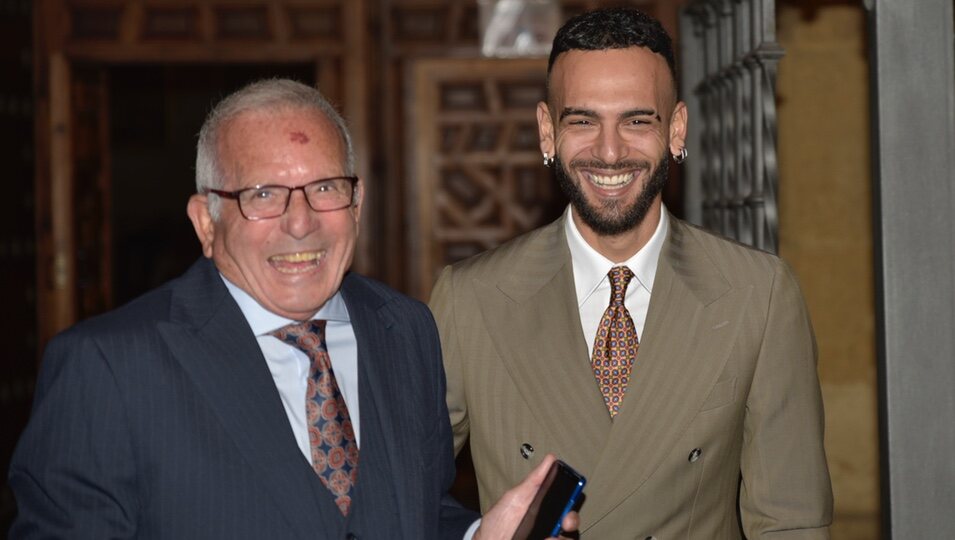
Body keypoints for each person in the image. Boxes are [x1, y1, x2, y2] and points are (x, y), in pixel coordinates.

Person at [9, 78, 576, 539]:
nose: (300, 222)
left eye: (325, 188)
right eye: (263, 194)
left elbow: (415, 517)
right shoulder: (107, 367)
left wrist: (477, 537)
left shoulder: (405, 329)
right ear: (206, 222)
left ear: (357, 203)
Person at [429, 7, 833, 539]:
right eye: (582, 121)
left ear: (677, 129)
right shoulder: (469, 300)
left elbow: (791, 522)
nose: (610, 151)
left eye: (637, 120)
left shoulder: (757, 295)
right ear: (547, 132)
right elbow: (402, 498)